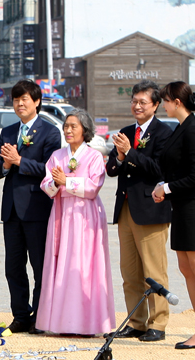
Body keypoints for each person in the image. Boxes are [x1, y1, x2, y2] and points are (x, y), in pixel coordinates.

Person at [0, 80, 61, 334]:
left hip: (37, 208)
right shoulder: (8, 132)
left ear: (37, 102)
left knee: (40, 266)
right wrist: (7, 165)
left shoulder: (50, 132)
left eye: (25, 100)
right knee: (13, 267)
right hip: (11, 210)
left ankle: (41, 316)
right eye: (16, 100)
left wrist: (20, 161)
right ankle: (20, 315)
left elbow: (50, 169)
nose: (20, 104)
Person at [37, 109, 115, 335]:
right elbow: (46, 185)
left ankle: (87, 322)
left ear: (85, 130)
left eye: (74, 126)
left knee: (83, 265)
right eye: (66, 126)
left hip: (85, 215)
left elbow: (93, 188)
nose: (68, 130)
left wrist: (66, 182)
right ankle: (63, 322)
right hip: (62, 213)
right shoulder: (57, 155)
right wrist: (56, 184)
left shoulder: (94, 156)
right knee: (62, 264)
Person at [106, 80, 173, 342]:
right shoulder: (125, 131)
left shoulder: (164, 133)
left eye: (142, 102)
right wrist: (121, 157)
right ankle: (137, 321)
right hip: (125, 208)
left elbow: (160, 170)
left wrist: (130, 153)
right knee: (129, 271)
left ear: (156, 105)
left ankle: (159, 323)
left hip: (151, 209)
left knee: (154, 270)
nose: (136, 106)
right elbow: (112, 169)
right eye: (134, 101)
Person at [152, 82, 195, 349]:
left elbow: (194, 176)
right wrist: (162, 187)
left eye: (165, 100)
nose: (163, 105)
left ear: (177, 101)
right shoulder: (180, 128)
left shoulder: (193, 130)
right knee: (186, 268)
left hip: (192, 205)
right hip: (179, 204)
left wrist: (165, 188)